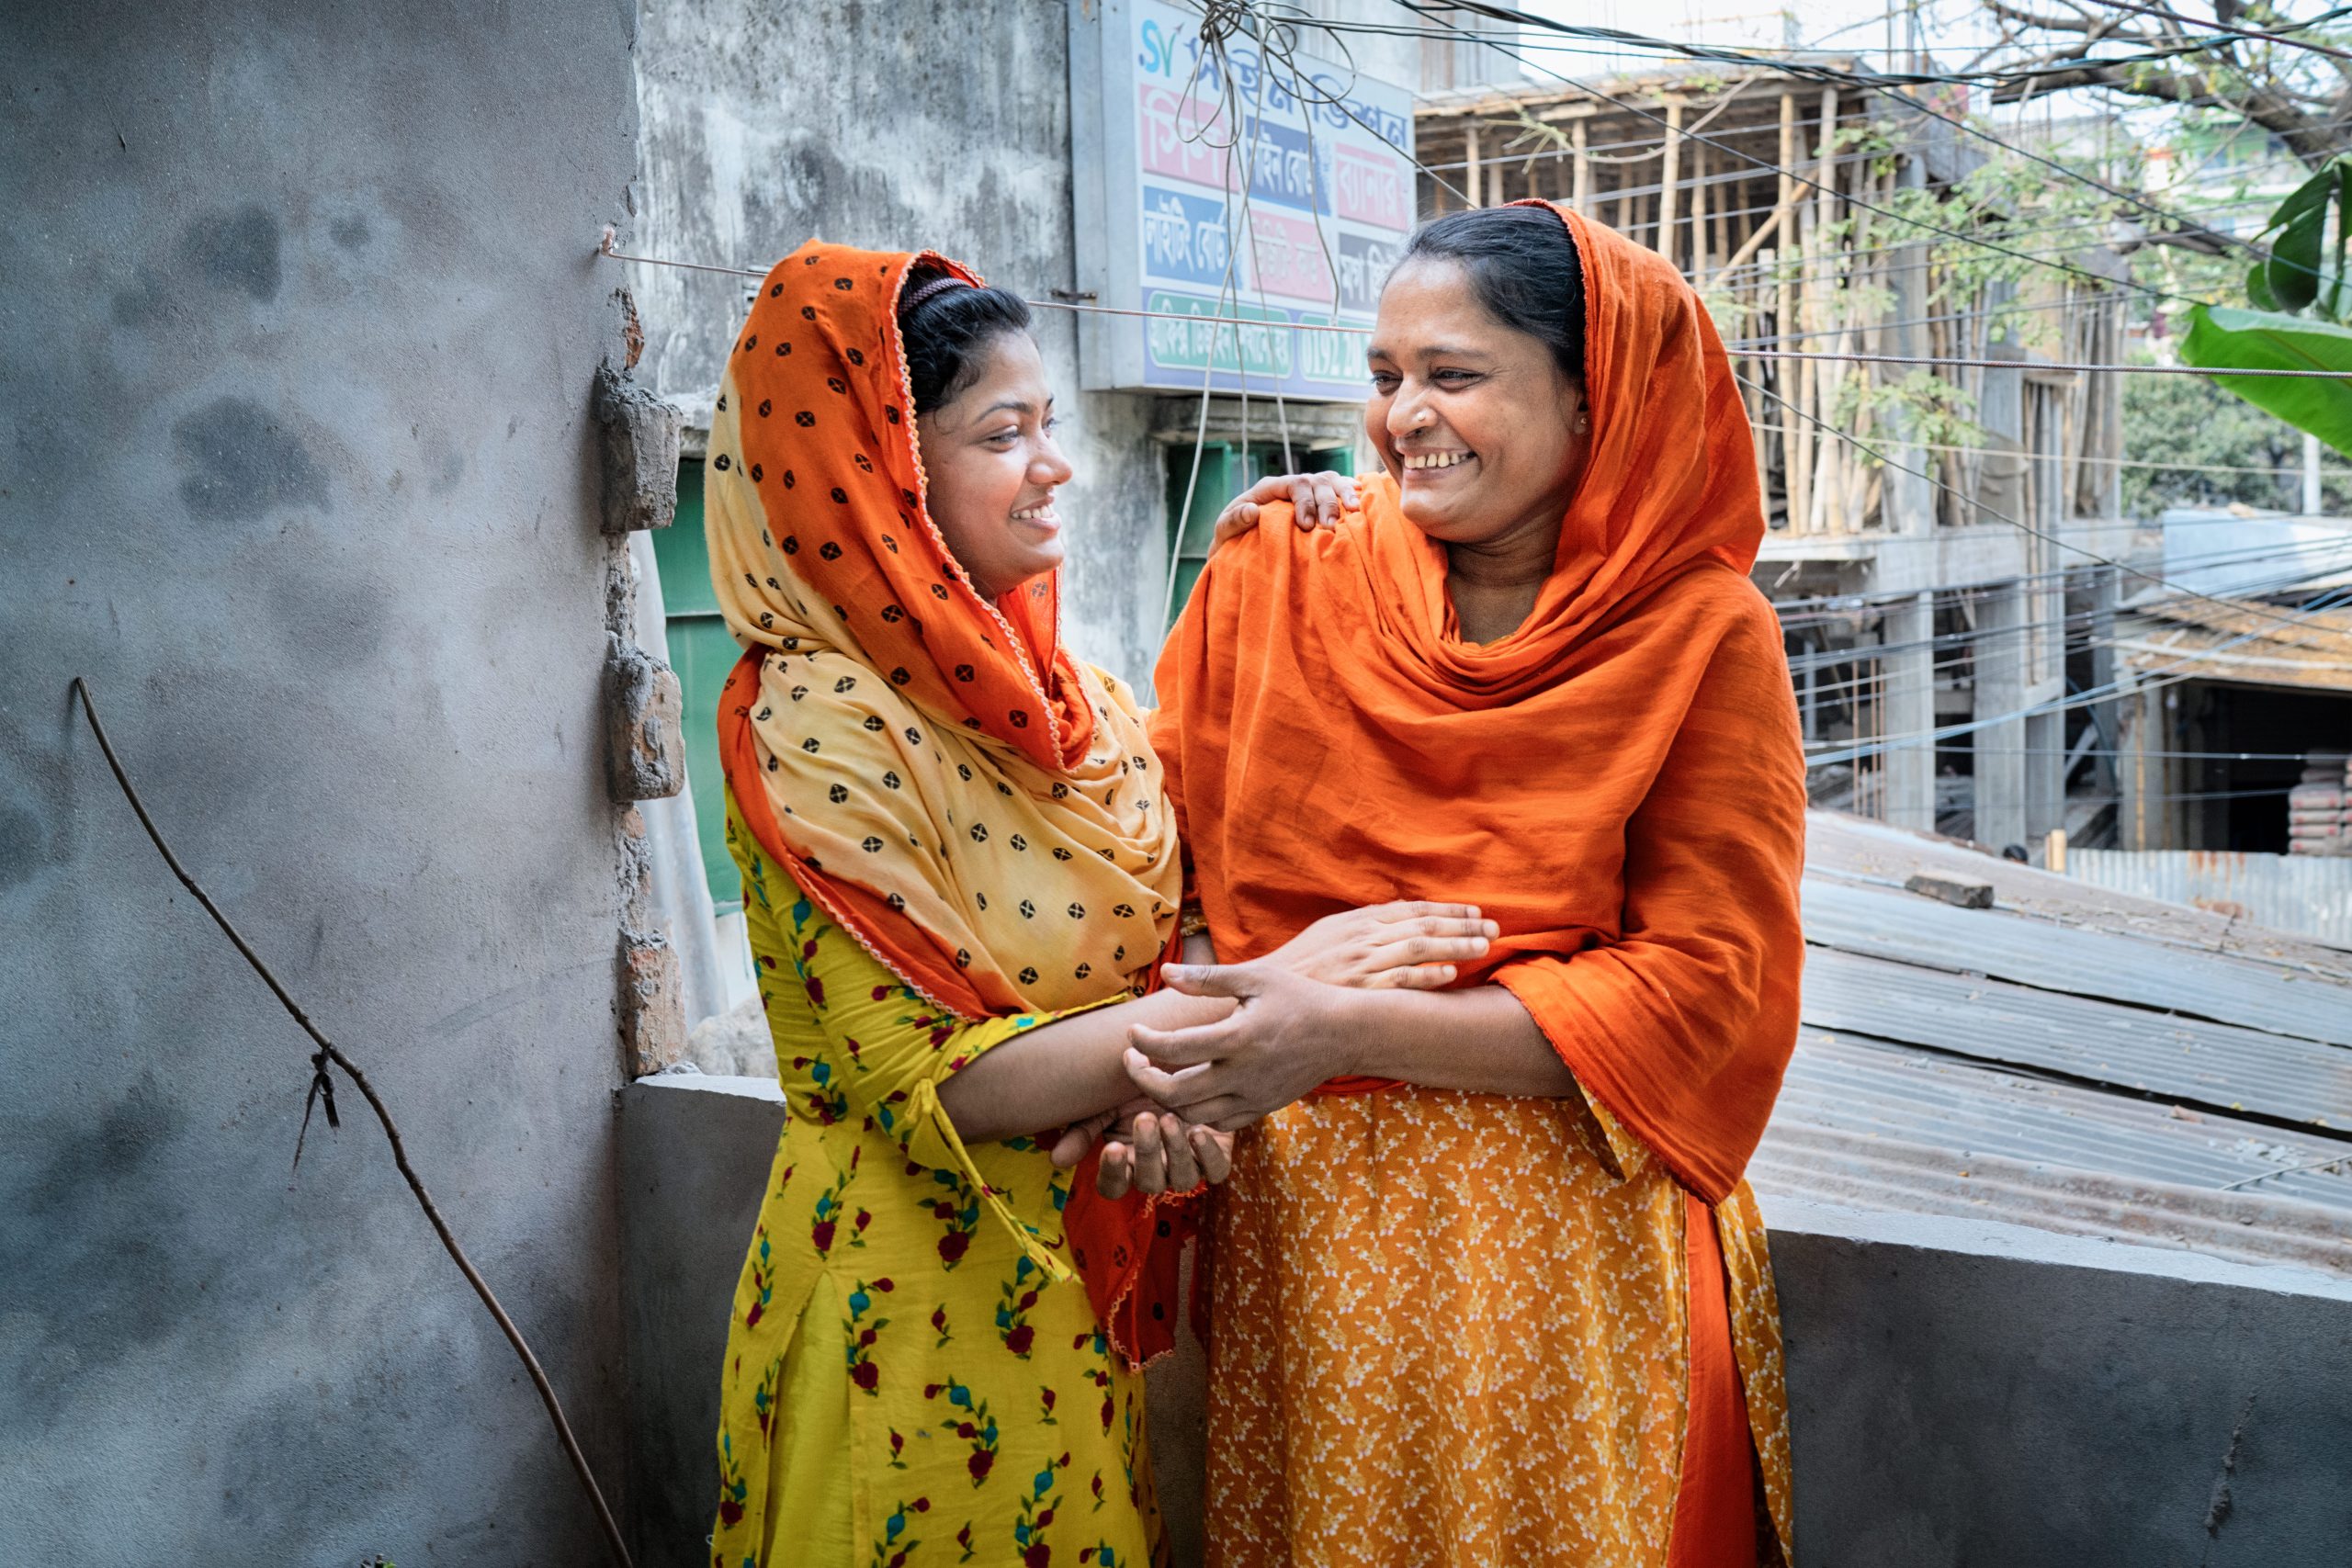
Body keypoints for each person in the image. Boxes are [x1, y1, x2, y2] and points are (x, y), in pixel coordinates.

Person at [695, 241, 1495, 1568]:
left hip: (1082, 1296)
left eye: (1049, 425)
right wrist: (1273, 1008)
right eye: (1002, 434)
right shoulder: (818, 720)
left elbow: (1176, 905)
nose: (1053, 464)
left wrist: (1317, 549)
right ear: (876, 475)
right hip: (909, 1322)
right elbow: (936, 1078)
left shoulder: (1072, 700)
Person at [1132, 201, 1808, 1565]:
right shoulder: (1279, 569)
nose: (1401, 418)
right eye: (1384, 379)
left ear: (1587, 391)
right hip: (1300, 1241)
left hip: (1568, 1254)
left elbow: (1705, 998)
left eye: (1453, 375)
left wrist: (1340, 1029)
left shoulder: (1699, 632)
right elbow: (1157, 872)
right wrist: (1214, 1028)